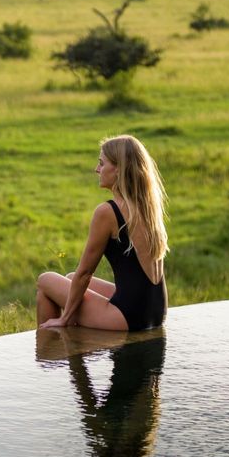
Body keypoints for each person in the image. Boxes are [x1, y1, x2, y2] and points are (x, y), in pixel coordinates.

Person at [36, 135, 169, 331]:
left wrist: (65, 318)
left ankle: (52, 347)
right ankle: (64, 341)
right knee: (69, 278)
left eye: (101, 163)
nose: (96, 169)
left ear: (118, 169)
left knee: (45, 281)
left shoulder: (108, 212)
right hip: (156, 310)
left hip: (129, 316)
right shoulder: (148, 206)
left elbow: (85, 273)